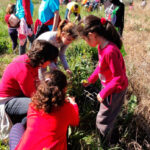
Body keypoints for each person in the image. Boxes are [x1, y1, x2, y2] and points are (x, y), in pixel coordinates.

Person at [77, 15, 128, 143]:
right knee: (108, 116)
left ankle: (104, 144)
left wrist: (104, 92)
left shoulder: (110, 51)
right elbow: (100, 67)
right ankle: (111, 135)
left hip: (114, 90)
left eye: (85, 39)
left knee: (102, 119)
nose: (86, 42)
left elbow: (119, 78)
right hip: (109, 87)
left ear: (92, 34)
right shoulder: (101, 47)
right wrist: (90, 80)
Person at [0, 40, 59, 140]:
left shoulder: (31, 62)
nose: (50, 64)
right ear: (43, 59)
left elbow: (36, 84)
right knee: (39, 106)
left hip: (17, 96)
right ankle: (21, 134)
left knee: (37, 107)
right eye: (50, 61)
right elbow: (33, 95)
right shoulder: (24, 69)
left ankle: (23, 129)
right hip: (6, 101)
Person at [9, 70, 79, 150]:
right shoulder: (67, 107)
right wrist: (74, 104)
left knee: (17, 126)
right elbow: (75, 121)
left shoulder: (33, 104)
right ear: (65, 89)